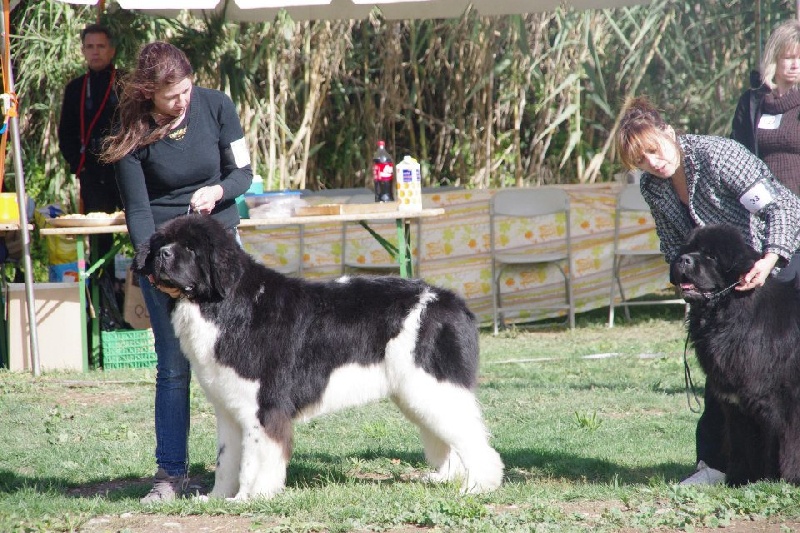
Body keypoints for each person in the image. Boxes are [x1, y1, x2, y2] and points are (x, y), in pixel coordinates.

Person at [616, 96, 800, 486]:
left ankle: (782, 466)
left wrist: (770, 259)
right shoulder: (654, 188)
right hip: (717, 285)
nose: (652, 162)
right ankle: (720, 466)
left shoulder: (717, 155)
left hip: (776, 259)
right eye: (641, 160)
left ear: (668, 133)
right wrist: (686, 282)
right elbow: (673, 244)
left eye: (653, 150)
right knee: (725, 376)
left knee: (780, 378)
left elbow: (783, 207)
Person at [100, 41, 253, 503]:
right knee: (173, 366)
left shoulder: (217, 105)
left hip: (220, 251)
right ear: (149, 94)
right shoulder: (131, 130)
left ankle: (245, 462)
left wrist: (219, 190)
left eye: (186, 90)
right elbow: (139, 211)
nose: (182, 102)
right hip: (166, 259)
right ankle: (170, 474)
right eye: (171, 96)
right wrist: (151, 265)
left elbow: (243, 172)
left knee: (238, 358)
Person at [58, 24, 124, 259]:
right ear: (83, 50)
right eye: (90, 47)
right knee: (98, 243)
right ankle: (100, 290)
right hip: (93, 173)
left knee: (138, 233)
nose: (95, 52)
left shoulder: (126, 82)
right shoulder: (76, 88)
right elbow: (66, 134)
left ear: (112, 50)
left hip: (124, 169)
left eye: (101, 46)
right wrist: (80, 165)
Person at [732, 19, 800, 196]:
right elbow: (737, 153)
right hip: (762, 203)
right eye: (789, 58)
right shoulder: (752, 102)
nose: (796, 65)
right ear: (774, 58)